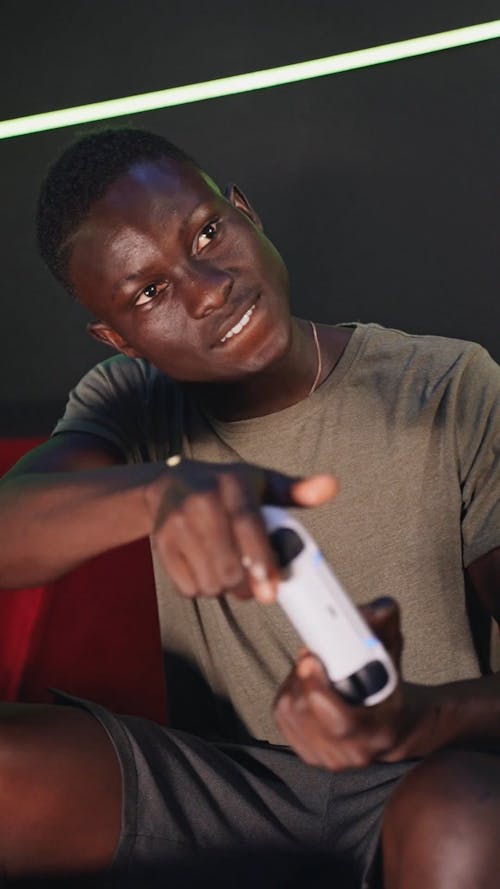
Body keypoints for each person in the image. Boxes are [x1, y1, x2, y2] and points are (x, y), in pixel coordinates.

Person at [0, 127, 499, 889]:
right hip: (231, 787)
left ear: (245, 213)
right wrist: (159, 493)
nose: (207, 288)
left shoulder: (447, 384)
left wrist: (416, 716)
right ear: (118, 338)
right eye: (149, 292)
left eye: (206, 232)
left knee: (463, 816)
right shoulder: (126, 399)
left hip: (422, 769)